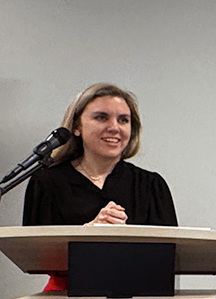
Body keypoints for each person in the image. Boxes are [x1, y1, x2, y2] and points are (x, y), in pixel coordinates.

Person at [23, 82, 178, 227]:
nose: (114, 127)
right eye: (101, 118)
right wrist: (89, 232)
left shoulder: (150, 186)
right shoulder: (47, 183)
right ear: (77, 126)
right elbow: (36, 252)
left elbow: (170, 253)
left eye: (123, 120)